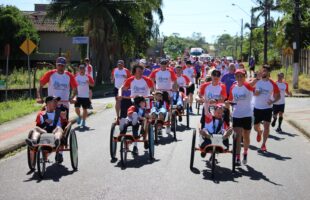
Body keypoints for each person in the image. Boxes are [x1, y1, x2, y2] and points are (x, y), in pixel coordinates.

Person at [37, 57, 77, 163]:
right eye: (59, 65)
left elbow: (75, 88)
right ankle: (45, 146)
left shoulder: (69, 75)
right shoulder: (50, 74)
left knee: (62, 126)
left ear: (65, 66)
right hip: (50, 104)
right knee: (45, 124)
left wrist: (72, 97)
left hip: (63, 105)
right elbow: (40, 85)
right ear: (56, 65)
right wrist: (40, 97)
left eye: (62, 65)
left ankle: (60, 153)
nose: (60, 67)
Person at [26, 96, 68, 162]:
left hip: (55, 132)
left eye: (57, 102)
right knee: (36, 128)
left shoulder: (60, 112)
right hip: (44, 132)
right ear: (48, 103)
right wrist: (45, 122)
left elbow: (66, 126)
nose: (56, 103)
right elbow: (38, 126)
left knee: (58, 128)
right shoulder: (41, 114)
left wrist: (64, 118)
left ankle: (57, 141)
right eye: (54, 101)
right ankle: (33, 142)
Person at [227, 69, 254, 165]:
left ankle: (245, 153)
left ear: (244, 77)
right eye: (237, 76)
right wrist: (228, 104)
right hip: (237, 115)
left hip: (247, 114)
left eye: (241, 76)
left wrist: (258, 78)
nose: (239, 78)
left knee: (246, 136)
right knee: (237, 137)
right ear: (235, 77)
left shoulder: (247, 86)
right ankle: (237, 157)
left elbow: (253, 83)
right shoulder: (233, 87)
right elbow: (230, 100)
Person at [252, 65, 280, 152]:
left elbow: (278, 96)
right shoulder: (257, 81)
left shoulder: (272, 84)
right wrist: (255, 93)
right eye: (262, 70)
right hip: (257, 107)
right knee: (255, 127)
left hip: (267, 108)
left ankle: (263, 144)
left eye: (265, 71)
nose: (263, 72)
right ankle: (259, 132)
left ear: (268, 73)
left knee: (267, 127)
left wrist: (272, 102)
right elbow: (248, 88)